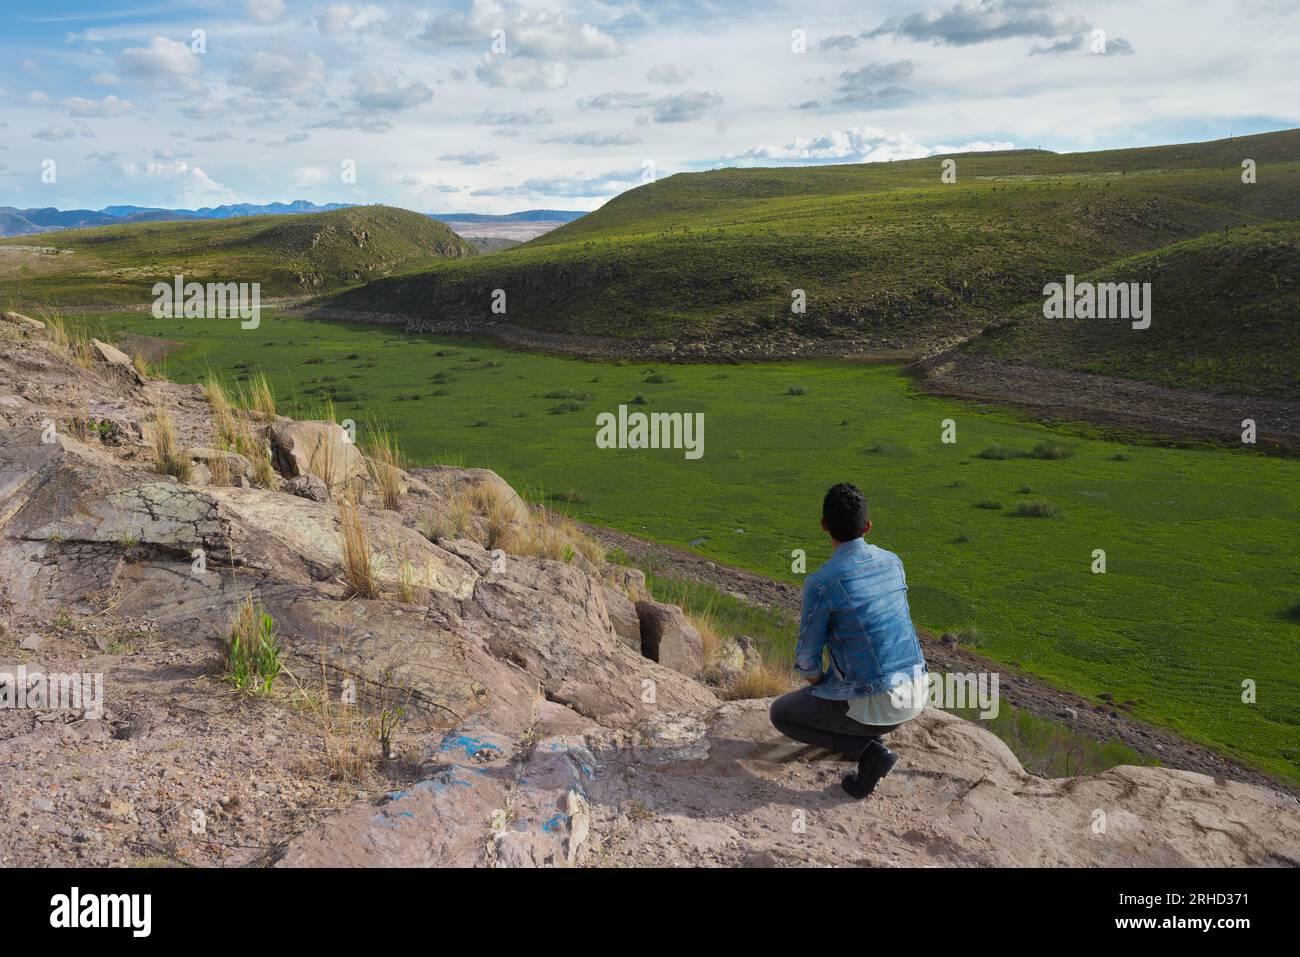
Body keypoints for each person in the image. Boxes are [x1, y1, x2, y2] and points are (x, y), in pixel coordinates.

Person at [769, 482, 928, 799]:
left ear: (823, 526)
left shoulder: (822, 582)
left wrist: (819, 684)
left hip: (875, 706)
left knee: (781, 713)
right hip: (916, 693)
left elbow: (806, 659)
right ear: (868, 526)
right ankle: (869, 736)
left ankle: (868, 753)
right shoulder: (894, 562)